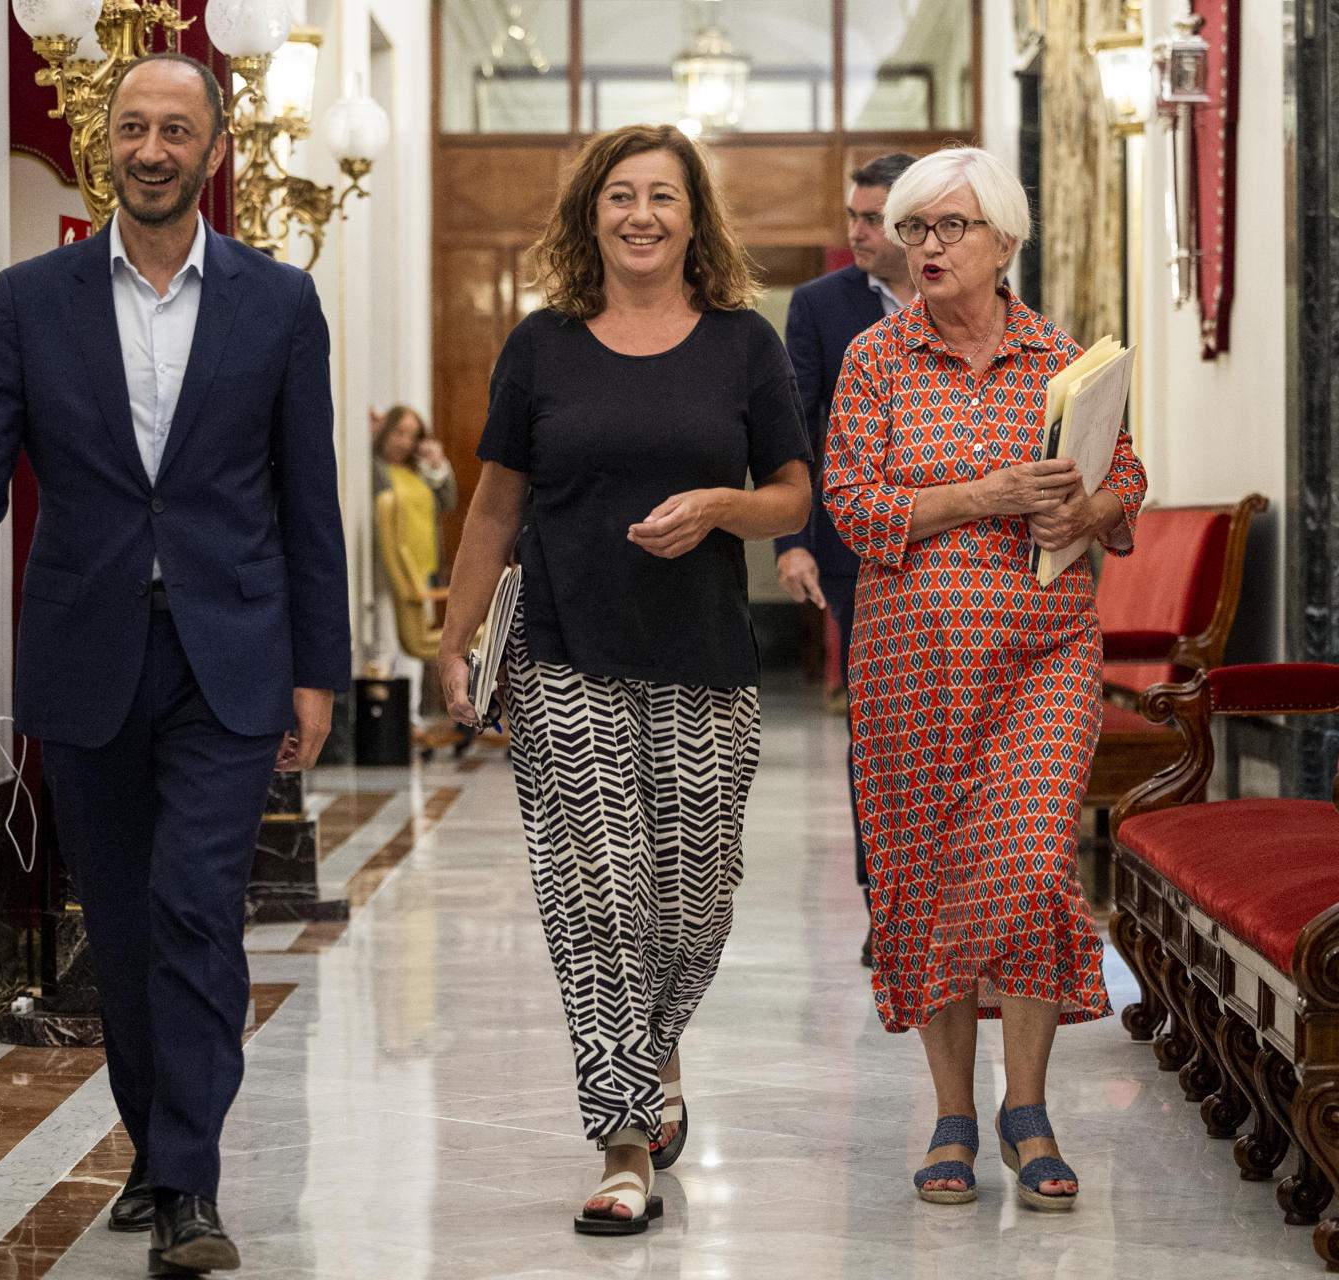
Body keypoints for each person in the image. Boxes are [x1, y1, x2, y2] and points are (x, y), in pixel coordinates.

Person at [0, 53, 348, 1274]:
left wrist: (322, 666)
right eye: (133, 126)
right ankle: (156, 1149)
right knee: (122, 919)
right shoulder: (30, 297)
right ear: (110, 143)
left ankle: (190, 1181)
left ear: (214, 152)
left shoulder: (277, 302)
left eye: (177, 130)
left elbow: (310, 498)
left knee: (196, 906)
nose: (152, 148)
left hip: (229, 654)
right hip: (87, 651)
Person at [436, 123, 811, 1235]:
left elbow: (794, 495)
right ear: (590, 214)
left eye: (663, 195)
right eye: (620, 195)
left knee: (692, 903)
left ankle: (656, 1052)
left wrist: (720, 508)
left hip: (705, 661)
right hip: (565, 654)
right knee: (596, 898)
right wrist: (455, 644)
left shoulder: (743, 345)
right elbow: (496, 506)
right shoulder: (541, 347)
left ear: (695, 217)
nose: (641, 213)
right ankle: (623, 1137)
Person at [822, 146, 1146, 1212]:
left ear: (1005, 241)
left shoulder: (1067, 360)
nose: (926, 247)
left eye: (950, 228)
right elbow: (854, 507)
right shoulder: (874, 360)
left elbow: (1126, 475)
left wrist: (1085, 510)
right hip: (910, 669)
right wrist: (987, 492)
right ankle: (957, 1113)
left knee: (1030, 861)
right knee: (928, 877)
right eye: (913, 229)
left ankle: (1032, 1102)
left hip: (1045, 655)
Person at [772, 152, 917, 966]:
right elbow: (795, 430)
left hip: (963, 550)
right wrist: (793, 542)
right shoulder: (821, 307)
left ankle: (961, 898)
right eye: (853, 217)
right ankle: (886, 904)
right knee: (881, 730)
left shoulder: (964, 291)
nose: (856, 232)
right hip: (855, 550)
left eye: (872, 219)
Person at [369, 404, 454, 717]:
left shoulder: (417, 471)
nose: (404, 442)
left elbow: (448, 501)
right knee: (388, 640)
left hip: (423, 569)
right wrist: (368, 436)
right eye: (399, 432)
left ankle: (412, 716)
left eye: (412, 435)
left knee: (416, 643)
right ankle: (394, 718)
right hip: (390, 570)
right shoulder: (375, 469)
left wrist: (436, 463)